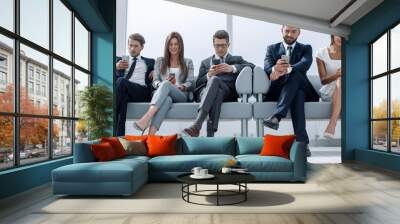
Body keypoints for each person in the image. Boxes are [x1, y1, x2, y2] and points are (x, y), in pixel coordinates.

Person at [183, 30, 254, 137]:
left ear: (228, 45)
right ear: (213, 45)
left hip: (228, 93)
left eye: (223, 45)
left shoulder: (236, 59)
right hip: (205, 92)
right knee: (216, 88)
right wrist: (208, 75)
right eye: (217, 46)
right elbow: (198, 84)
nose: (220, 48)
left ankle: (197, 124)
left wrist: (232, 68)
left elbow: (252, 67)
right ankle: (209, 135)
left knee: (216, 83)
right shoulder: (205, 62)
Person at [263, 25, 319, 156]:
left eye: (293, 31)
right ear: (281, 31)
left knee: (295, 73)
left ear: (299, 32)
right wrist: (275, 69)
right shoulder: (272, 48)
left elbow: (305, 63)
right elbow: (266, 67)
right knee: (297, 95)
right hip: (280, 90)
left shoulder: (306, 48)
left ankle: (277, 116)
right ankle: (302, 144)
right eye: (287, 31)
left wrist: (288, 69)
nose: (289, 34)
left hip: (305, 88)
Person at [133, 32, 194, 135]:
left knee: (166, 84)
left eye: (176, 44)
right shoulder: (160, 61)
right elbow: (155, 81)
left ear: (180, 46)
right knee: (167, 98)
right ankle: (150, 136)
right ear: (167, 46)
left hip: (180, 94)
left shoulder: (188, 62)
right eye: (171, 44)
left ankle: (147, 117)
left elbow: (191, 82)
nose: (173, 47)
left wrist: (181, 86)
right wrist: (160, 84)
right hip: (164, 93)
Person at [115, 33, 155, 136]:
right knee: (122, 99)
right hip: (124, 91)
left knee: (121, 81)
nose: (132, 49)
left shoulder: (150, 62)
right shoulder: (119, 61)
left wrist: (156, 72)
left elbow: (161, 75)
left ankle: (115, 135)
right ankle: (119, 138)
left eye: (136, 46)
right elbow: (105, 73)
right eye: (130, 45)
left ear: (142, 47)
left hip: (142, 92)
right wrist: (115, 67)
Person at [316, 35, 342, 139]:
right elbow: (323, 80)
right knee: (340, 79)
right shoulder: (321, 53)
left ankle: (332, 124)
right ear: (332, 34)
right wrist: (336, 75)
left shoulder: (350, 51)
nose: (340, 37)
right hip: (328, 90)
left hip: (346, 89)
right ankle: (332, 125)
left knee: (342, 80)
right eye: (338, 34)